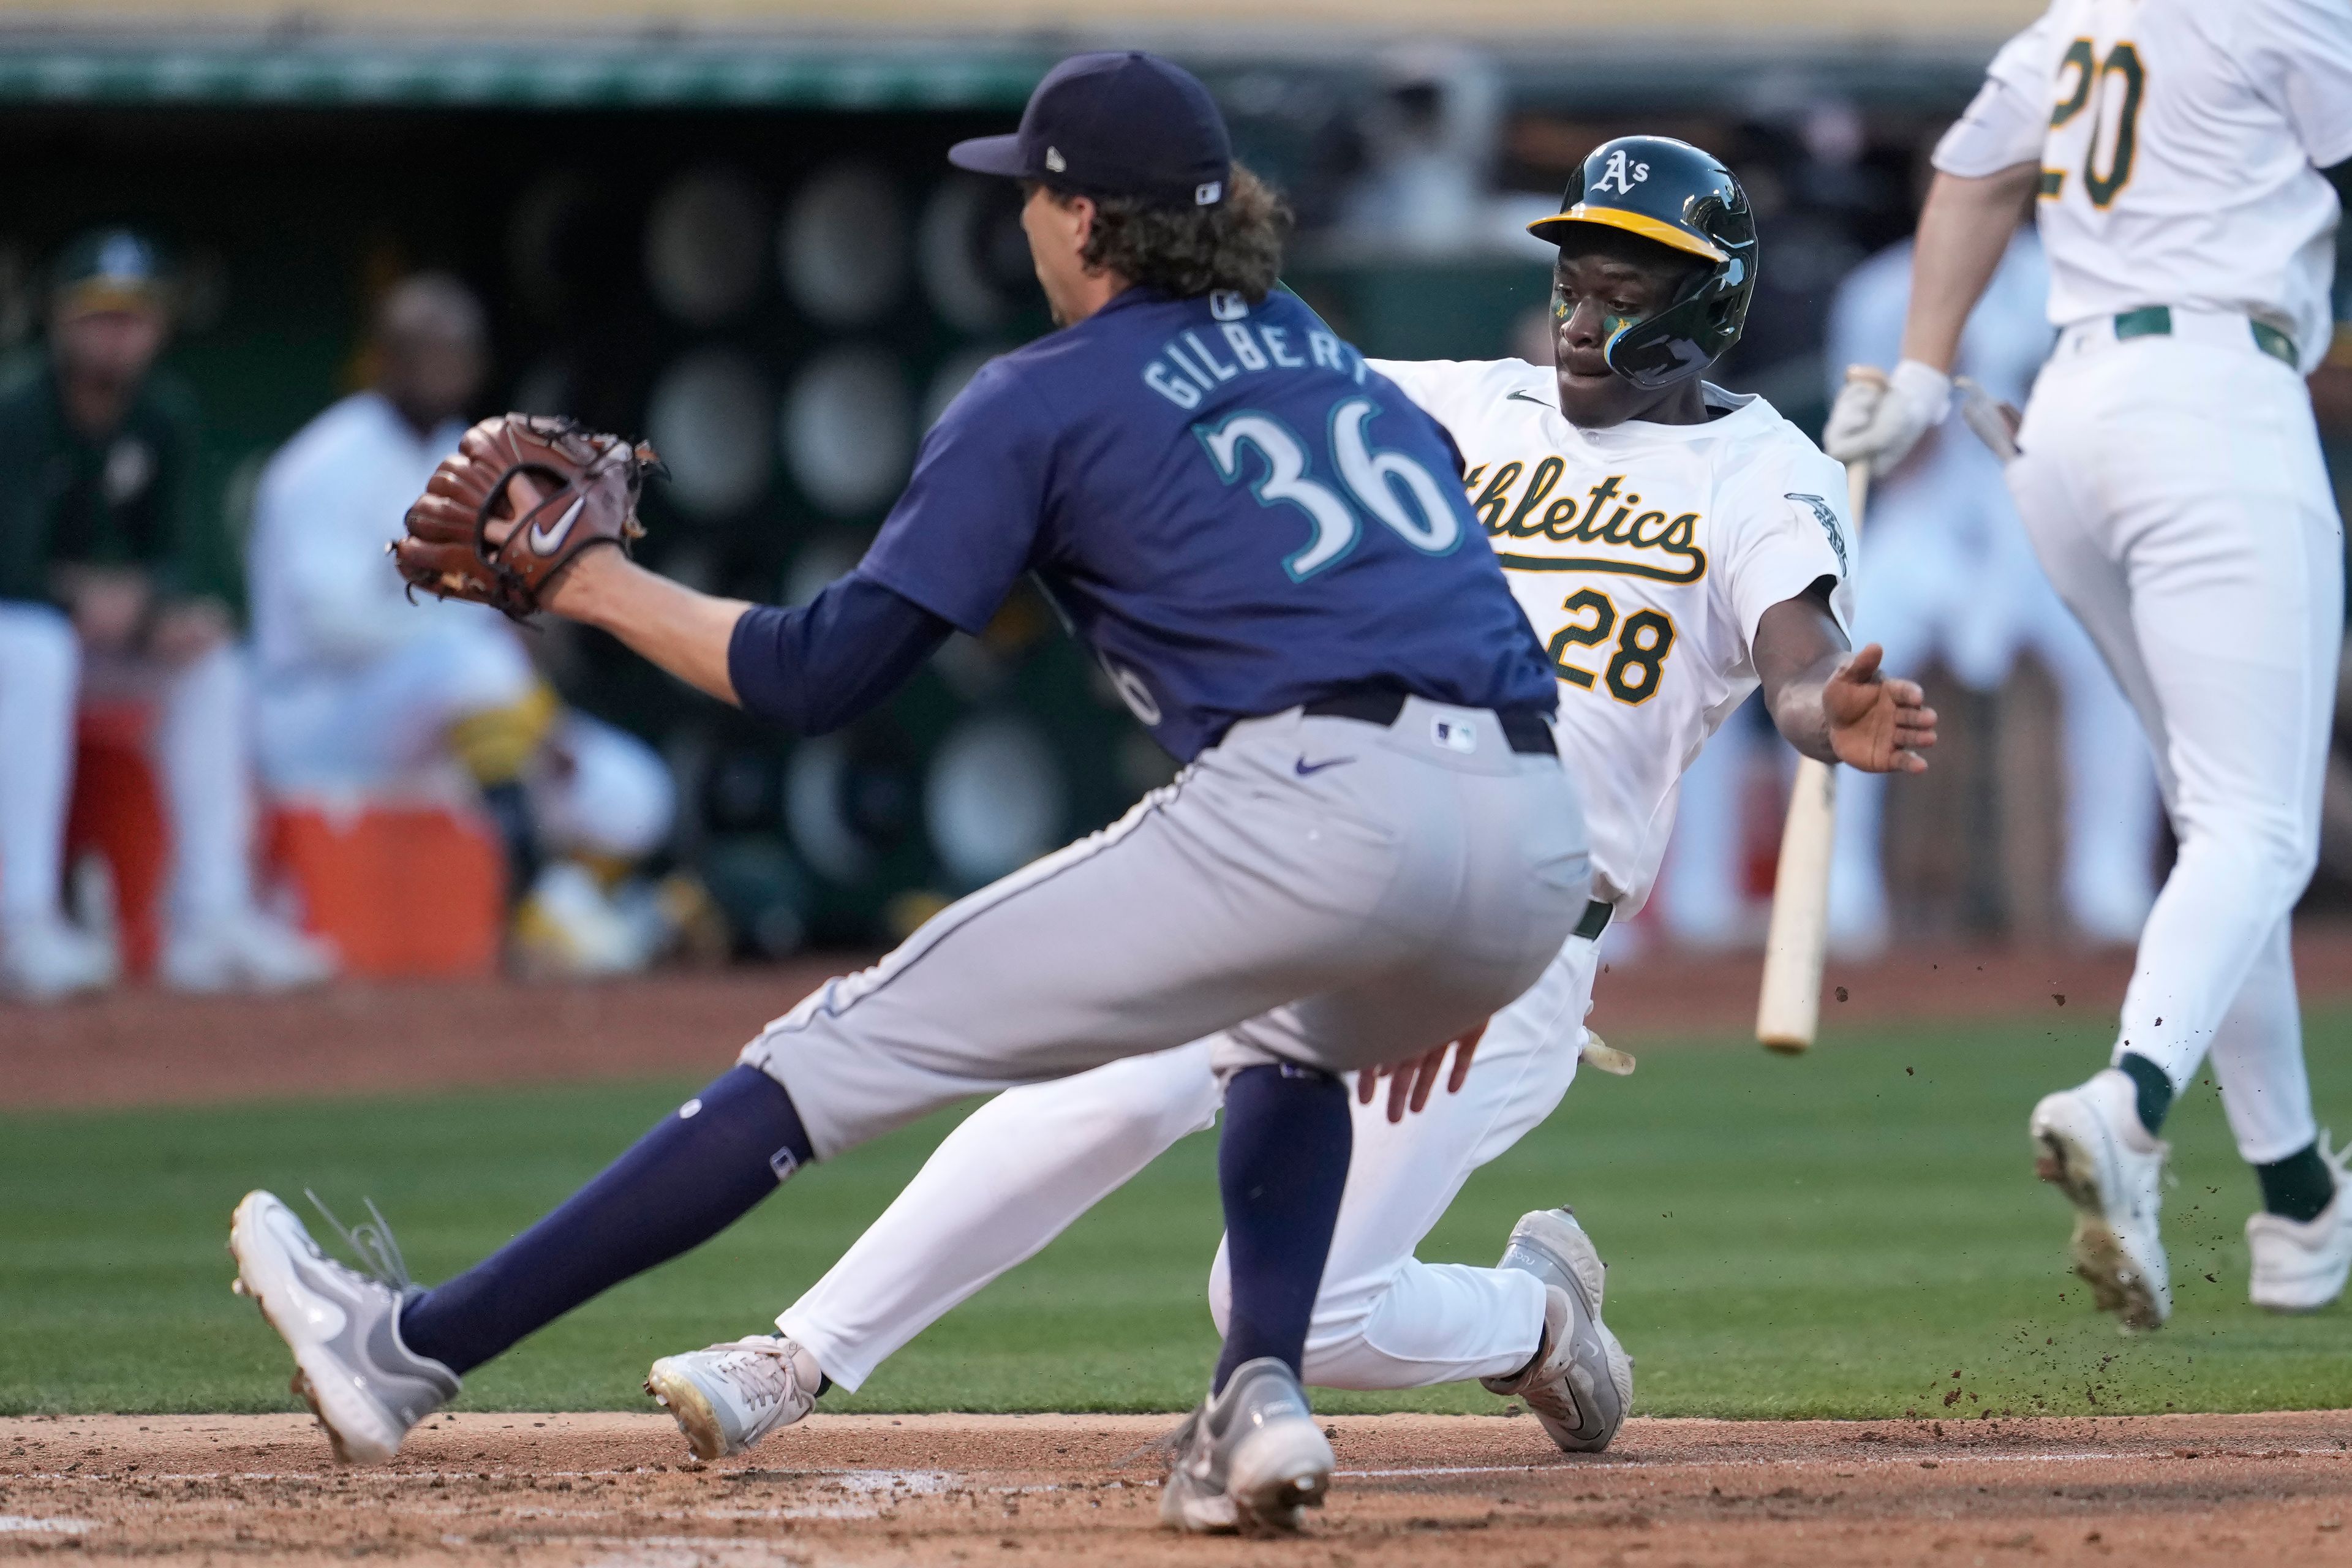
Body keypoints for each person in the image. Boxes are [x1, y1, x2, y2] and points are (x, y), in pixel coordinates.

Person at [227, 52, 1594, 1534]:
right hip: (1526, 830)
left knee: (825, 1052)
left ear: (1083, 220)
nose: (1019, 219)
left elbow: (820, 674)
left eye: (1031, 192)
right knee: (1288, 1038)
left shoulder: (1042, 393)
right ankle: (1253, 1393)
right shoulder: (1319, 349)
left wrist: (595, 584)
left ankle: (409, 1349)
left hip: (1322, 798)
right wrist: (1443, 916)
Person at [612, 139, 1936, 1465]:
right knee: (1105, 1081)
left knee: (1291, 1313)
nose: (1582, 319)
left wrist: (1829, 715)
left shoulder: (1765, 475)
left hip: (1510, 938)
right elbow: (1237, 399)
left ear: (1705, 305)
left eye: (1621, 293)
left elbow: (1799, 661)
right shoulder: (1461, 405)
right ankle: (796, 1354)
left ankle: (1535, 1318)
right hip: (1325, 849)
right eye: (1572, 285)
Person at [1826, 0, 2352, 1326]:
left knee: (2226, 814)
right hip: (2216, 397)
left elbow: (1970, 170)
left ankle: (2297, 1202)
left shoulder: (2077, 24)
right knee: (2256, 826)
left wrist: (1923, 371)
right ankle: (2129, 1103)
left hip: (2066, 424)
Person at [247, 274, 679, 974]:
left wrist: (540, 719)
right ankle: (529, 900)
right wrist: (465, 637)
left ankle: (565, 909)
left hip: (455, 721)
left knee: (631, 791)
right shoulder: (322, 463)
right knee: (470, 658)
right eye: (421, 351)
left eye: (456, 352)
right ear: (382, 358)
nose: (441, 367)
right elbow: (331, 628)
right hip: (320, 717)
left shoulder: (473, 456)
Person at [0, 228, 332, 999]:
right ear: (60, 320)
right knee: (38, 646)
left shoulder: (166, 414)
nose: (117, 335)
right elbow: (11, 569)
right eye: (98, 315)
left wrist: (162, 614)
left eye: (134, 316)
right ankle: (22, 922)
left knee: (210, 666)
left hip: (96, 642)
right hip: (21, 639)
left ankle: (210, 919)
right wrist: (86, 598)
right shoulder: (19, 412)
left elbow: (185, 558)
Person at [1824, 222, 2157, 954]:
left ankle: (2108, 875)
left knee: (2121, 657)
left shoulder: (2068, 279)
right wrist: (1935, 376)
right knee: (1836, 656)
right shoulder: (1881, 290)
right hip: (1922, 520)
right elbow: (1867, 457)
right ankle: (1838, 882)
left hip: (2035, 515)